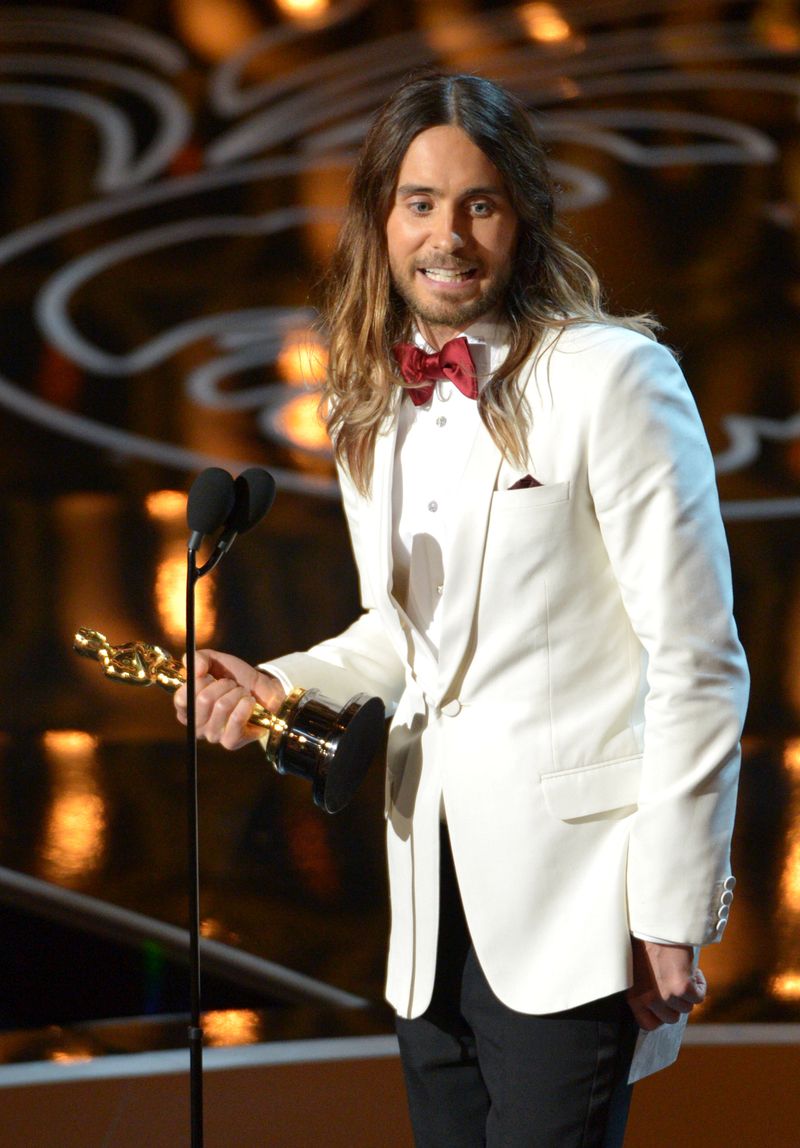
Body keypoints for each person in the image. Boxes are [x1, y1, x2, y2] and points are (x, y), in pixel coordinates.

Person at [174, 72, 749, 1147]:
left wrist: (668, 911)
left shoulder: (611, 378)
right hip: (426, 909)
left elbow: (695, 659)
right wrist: (287, 682)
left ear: (521, 215)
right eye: (420, 203)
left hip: (574, 908)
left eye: (478, 203)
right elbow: (403, 634)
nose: (448, 235)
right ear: (381, 219)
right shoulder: (370, 403)